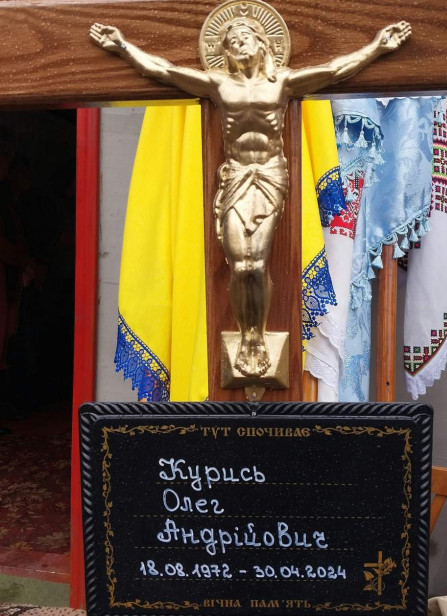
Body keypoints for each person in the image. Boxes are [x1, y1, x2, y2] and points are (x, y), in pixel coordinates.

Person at [90, 10, 411, 378]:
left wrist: (377, 47)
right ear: (225, 53)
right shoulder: (219, 86)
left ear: (262, 44)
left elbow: (335, 70)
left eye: (245, 38)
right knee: (239, 266)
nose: (238, 44)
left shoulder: (283, 83)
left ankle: (254, 338)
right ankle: (247, 333)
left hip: (270, 176)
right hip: (236, 177)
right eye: (231, 42)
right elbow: (163, 71)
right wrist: (123, 47)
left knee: (256, 264)